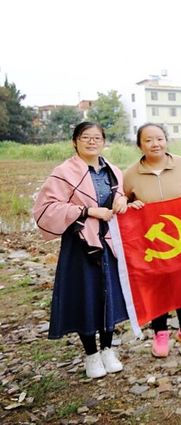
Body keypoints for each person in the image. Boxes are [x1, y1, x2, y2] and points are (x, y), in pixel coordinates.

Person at [33, 122, 129, 379]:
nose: (92, 141)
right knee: (85, 294)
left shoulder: (113, 171)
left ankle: (107, 348)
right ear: (74, 141)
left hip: (109, 242)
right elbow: (45, 209)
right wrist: (87, 211)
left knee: (109, 294)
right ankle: (91, 354)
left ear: (104, 141)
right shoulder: (63, 172)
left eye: (97, 137)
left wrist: (122, 200)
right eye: (85, 137)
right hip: (80, 244)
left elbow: (119, 196)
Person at [123, 123, 181, 358]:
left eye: (159, 139)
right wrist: (130, 205)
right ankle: (160, 332)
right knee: (156, 286)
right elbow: (121, 203)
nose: (155, 144)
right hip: (151, 244)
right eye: (148, 140)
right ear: (140, 145)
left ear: (166, 141)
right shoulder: (130, 174)